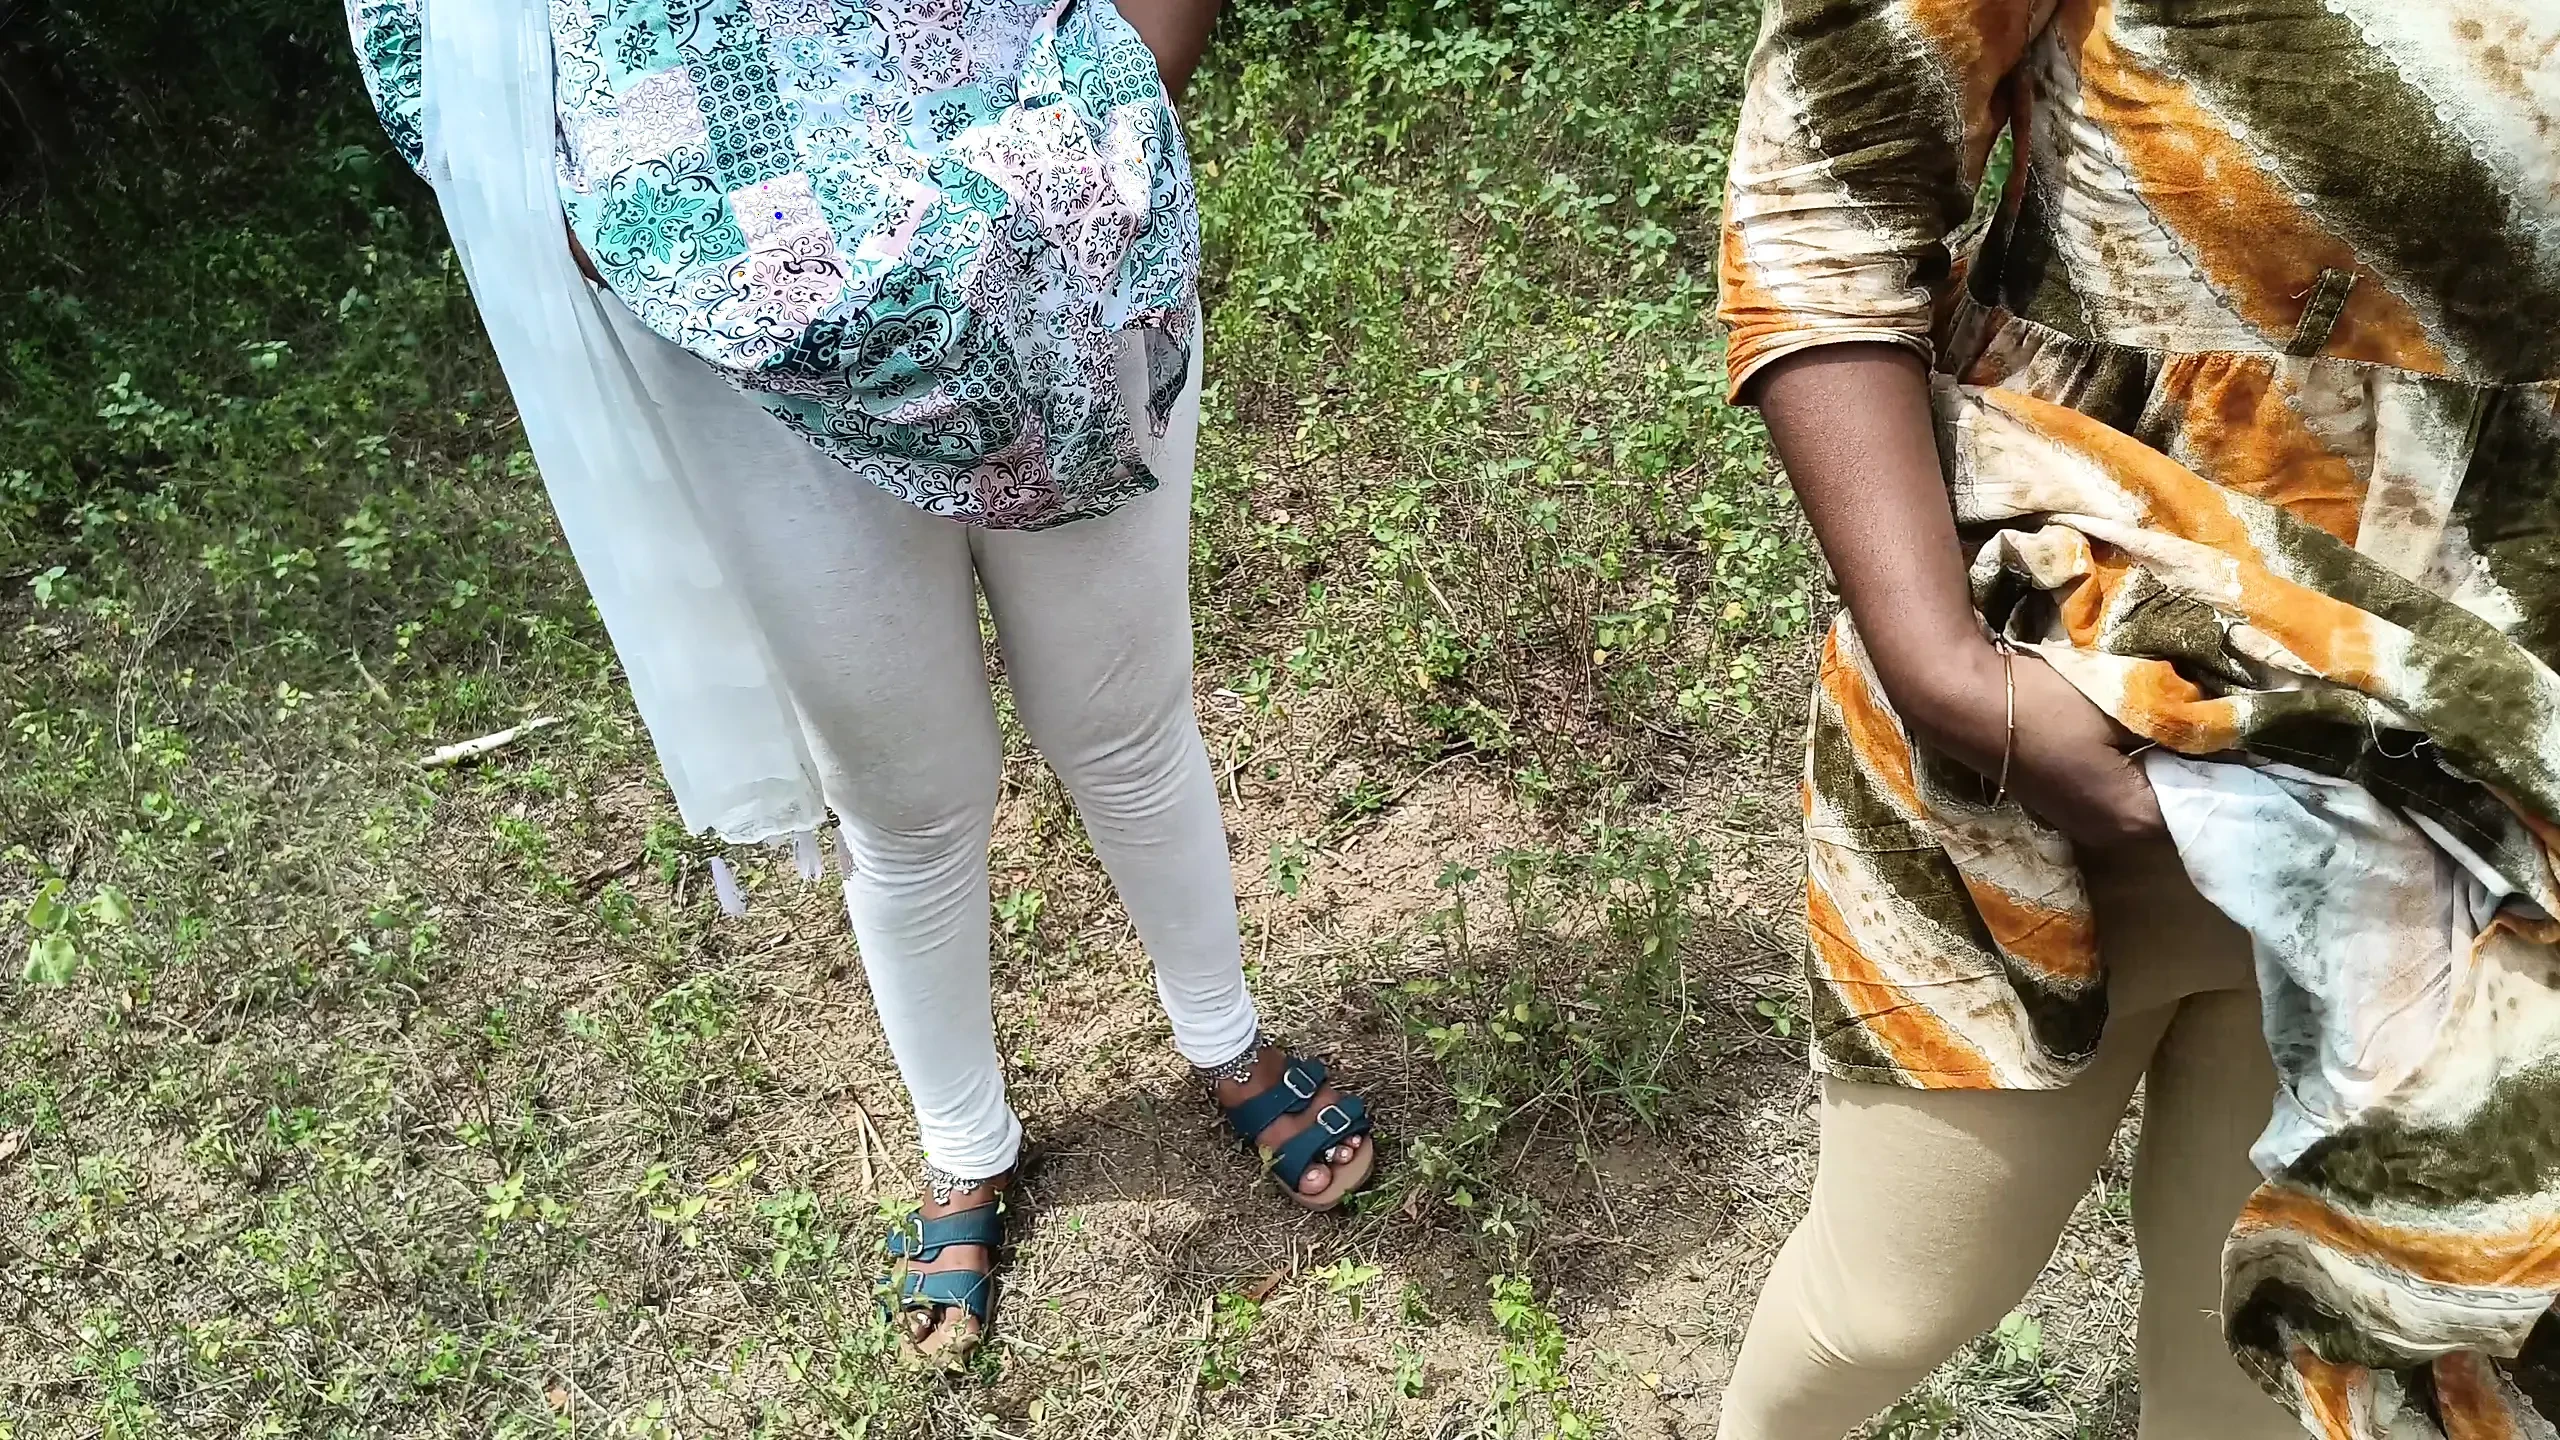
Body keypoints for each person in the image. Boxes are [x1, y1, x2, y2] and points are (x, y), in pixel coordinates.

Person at [345, 0, 1376, 1368]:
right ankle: (965, 1139)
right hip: (739, 314)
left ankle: (1225, 1038)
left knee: (1123, 719)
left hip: (1057, 229)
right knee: (903, 796)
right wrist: (593, 216)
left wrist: (1112, 107)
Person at [1715, 3, 2560, 1438]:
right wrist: (1953, 679)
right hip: (2082, 662)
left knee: (2260, 1348)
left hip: (2473, 737)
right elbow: (1823, 194)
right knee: (1896, 1295)